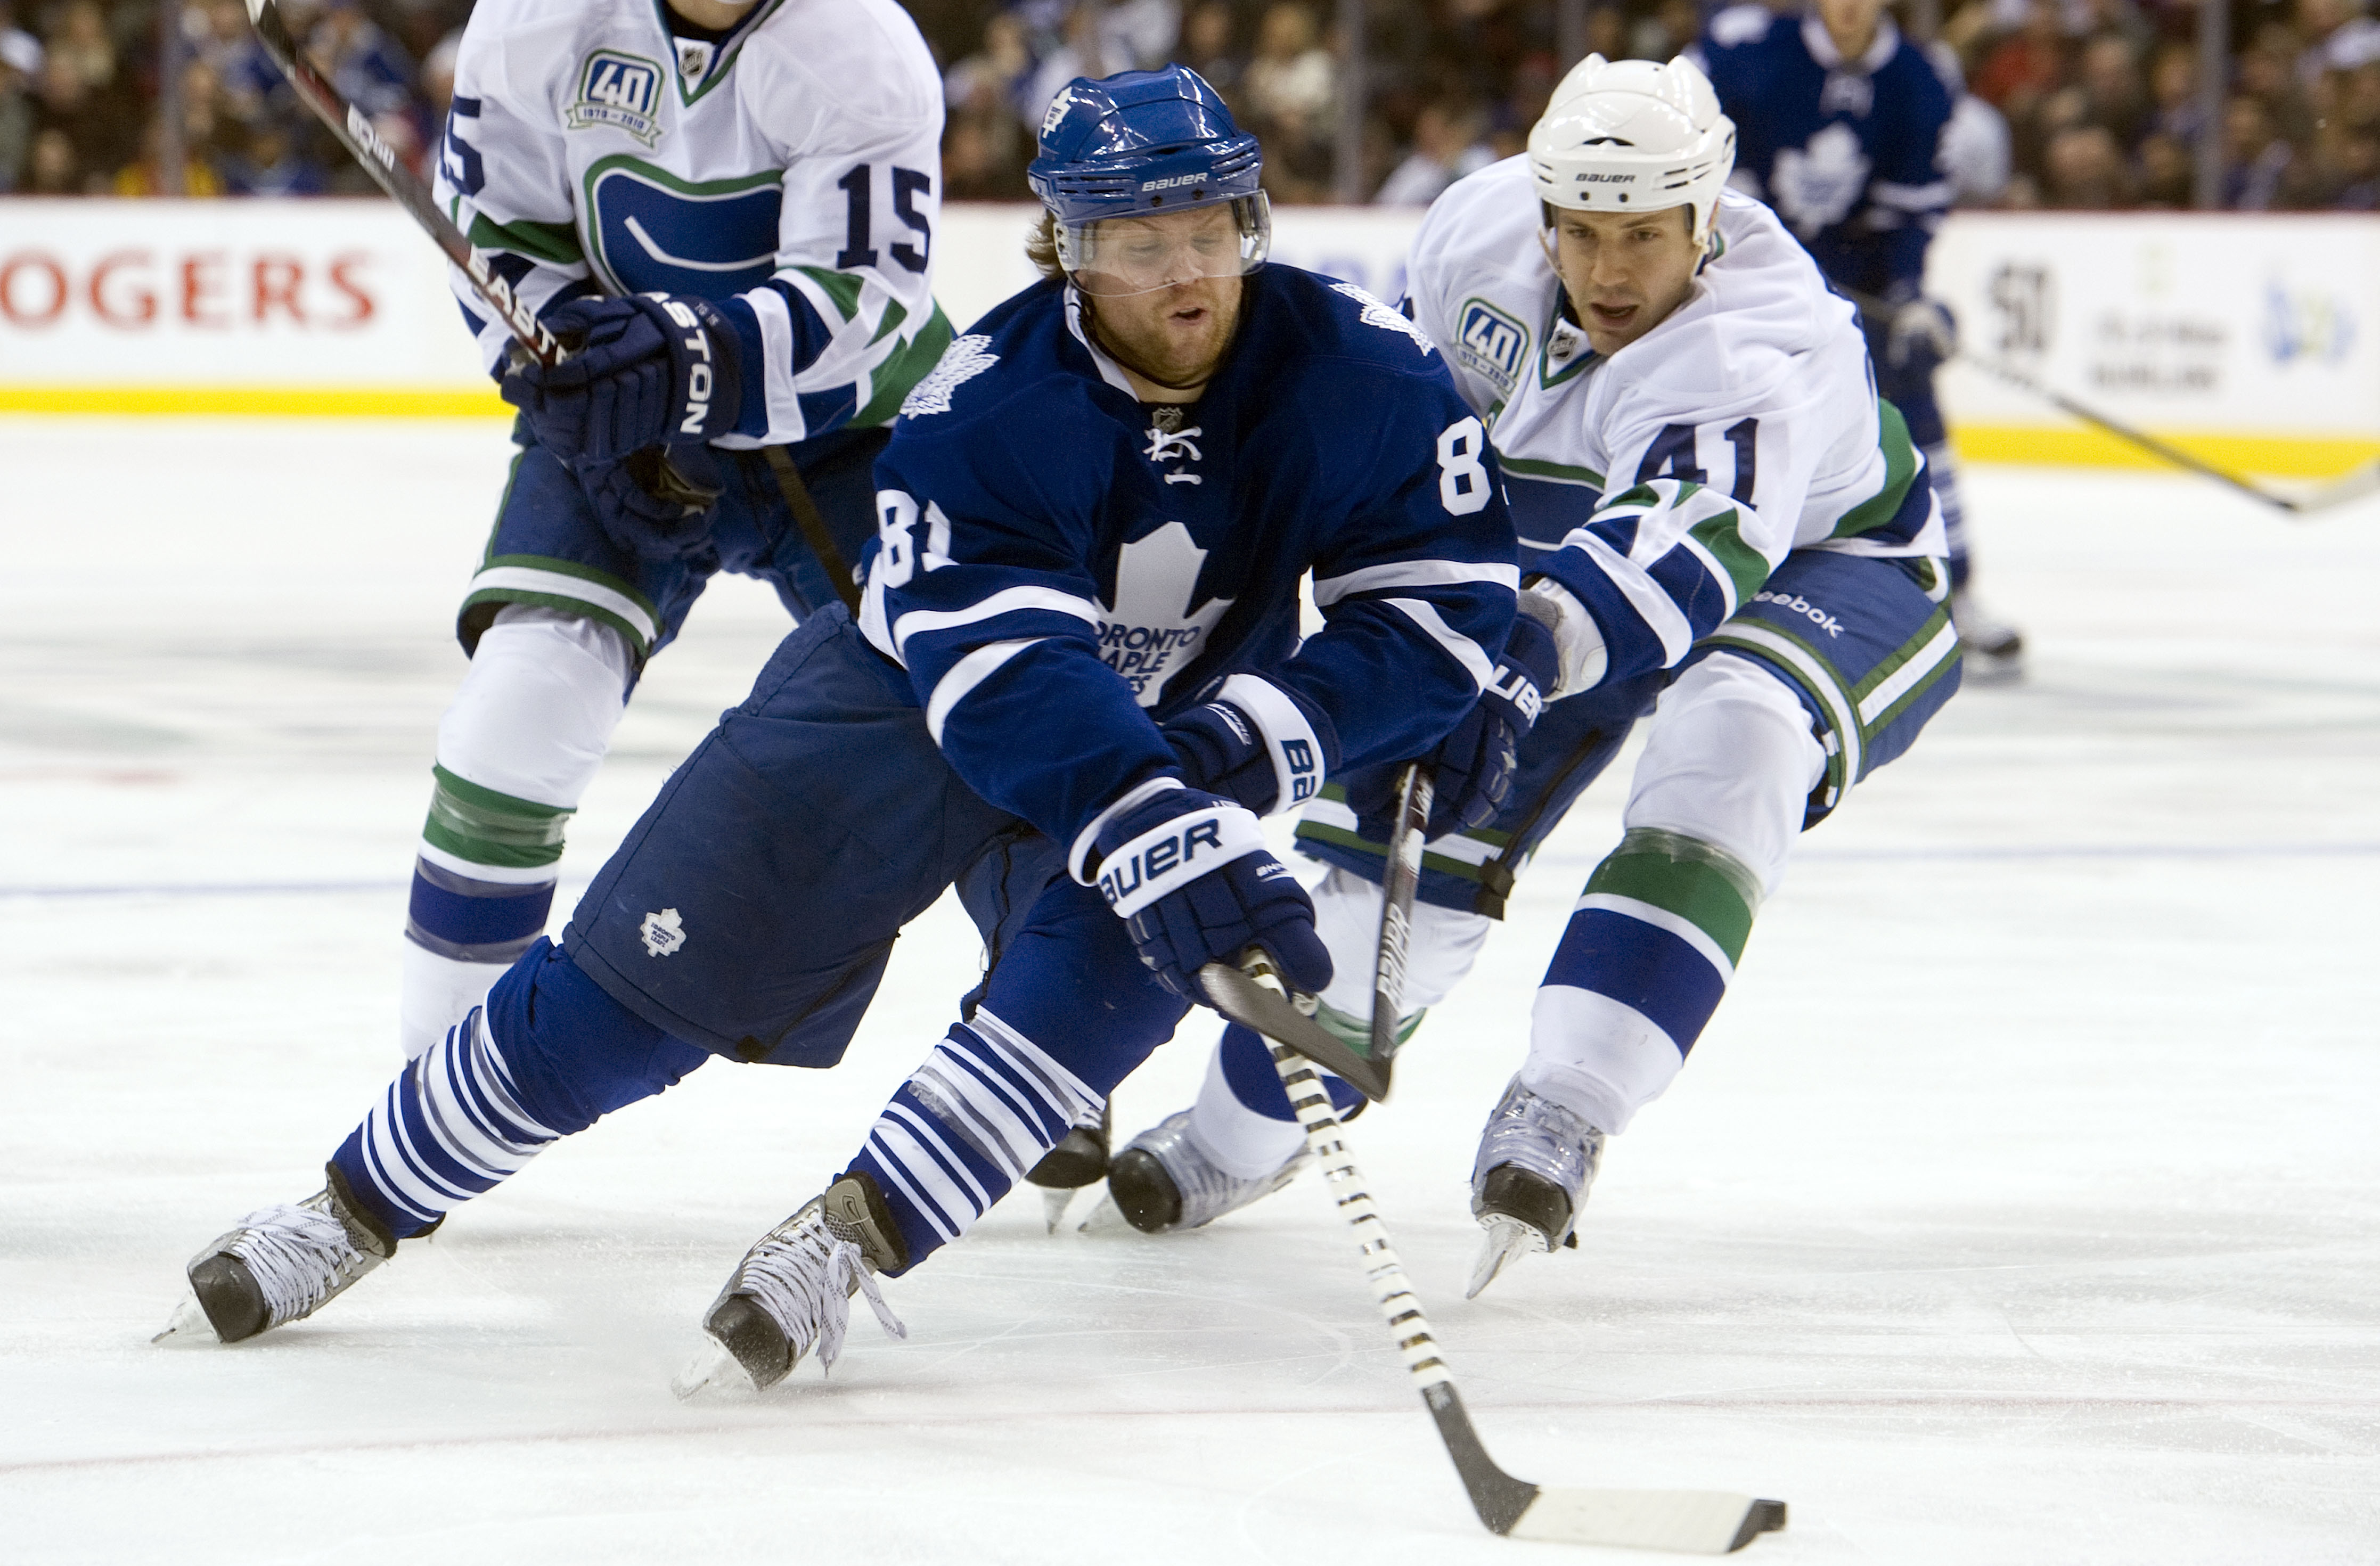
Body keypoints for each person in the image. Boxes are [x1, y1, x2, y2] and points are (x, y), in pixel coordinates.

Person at [158, 68, 1522, 1392]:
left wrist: (1301, 730)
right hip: (899, 714)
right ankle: (354, 1204)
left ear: (1251, 222)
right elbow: (1009, 676)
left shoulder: (1363, 369)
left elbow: (1440, 593)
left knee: (1093, 997)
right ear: (1065, 250)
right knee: (619, 1009)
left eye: (1209, 229)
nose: (1183, 276)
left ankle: (841, 1243)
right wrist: (1166, 816)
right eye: (1134, 241)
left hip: (1172, 742)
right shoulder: (985, 406)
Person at [1092, 55, 1961, 1299]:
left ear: (1703, 222)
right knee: (1388, 872)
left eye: (1646, 239)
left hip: (1825, 569)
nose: (1609, 273)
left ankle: (1570, 1100)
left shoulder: (1764, 339)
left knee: (1737, 734)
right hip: (1556, 577)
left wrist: (1507, 662)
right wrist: (1412, 636)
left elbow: (1680, 550)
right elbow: (1414, 451)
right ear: (1544, 212)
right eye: (1585, 234)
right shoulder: (1476, 233)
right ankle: (1238, 1139)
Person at [393, 0, 952, 1059]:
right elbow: (495, 225)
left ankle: (1040, 1038)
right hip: (622, 415)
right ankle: (437, 1082)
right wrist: (569, 372)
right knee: (515, 711)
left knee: (974, 713)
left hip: (851, 430)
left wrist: (681, 362)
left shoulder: (859, 44)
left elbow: (861, 298)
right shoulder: (533, 18)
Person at [1694, 0, 2024, 679]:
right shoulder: (1747, 50)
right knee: (1728, 421)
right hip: (1747, 277)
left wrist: (1907, 295)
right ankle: (1708, 586)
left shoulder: (1918, 78)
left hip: (1855, 283)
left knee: (1912, 395)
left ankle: (1951, 588)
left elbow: (1910, 210)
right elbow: (1717, 185)